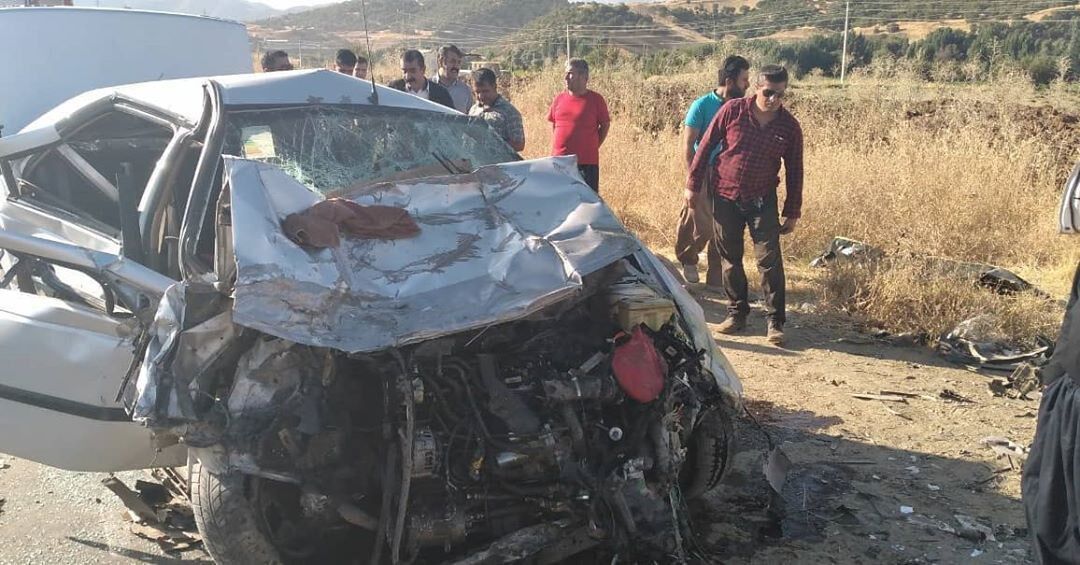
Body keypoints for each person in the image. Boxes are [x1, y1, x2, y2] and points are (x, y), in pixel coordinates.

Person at [685, 64, 803, 346]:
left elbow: (796, 169)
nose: (774, 99)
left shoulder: (789, 127)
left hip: (762, 199)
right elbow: (704, 146)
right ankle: (737, 313)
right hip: (725, 194)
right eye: (768, 92)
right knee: (730, 258)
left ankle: (775, 322)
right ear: (757, 88)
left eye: (780, 93)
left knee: (768, 260)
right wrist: (692, 186)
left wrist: (792, 211)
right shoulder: (732, 111)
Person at [677, 55, 751, 285]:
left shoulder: (743, 108)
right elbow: (689, 144)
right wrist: (693, 178)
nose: (747, 85)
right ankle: (688, 259)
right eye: (744, 79)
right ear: (729, 81)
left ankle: (716, 278)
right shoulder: (702, 105)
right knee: (699, 221)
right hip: (703, 170)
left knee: (724, 225)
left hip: (729, 174)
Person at [547, 58, 610, 193]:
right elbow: (555, 126)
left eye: (570, 73)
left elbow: (605, 125)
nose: (565, 77)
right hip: (560, 163)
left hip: (586, 163)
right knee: (561, 203)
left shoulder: (596, 100)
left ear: (583, 76)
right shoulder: (558, 99)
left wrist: (592, 145)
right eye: (566, 73)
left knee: (587, 204)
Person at [468, 68, 525, 151]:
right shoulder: (473, 110)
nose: (481, 96)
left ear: (494, 86)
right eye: (477, 92)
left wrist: (489, 143)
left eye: (485, 91)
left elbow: (519, 144)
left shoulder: (509, 112)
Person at [387, 50, 455, 109]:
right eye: (404, 71)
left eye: (412, 71)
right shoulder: (393, 90)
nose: (407, 77)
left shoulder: (441, 94)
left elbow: (451, 120)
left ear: (423, 69)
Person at [433, 44, 473, 113]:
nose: (456, 66)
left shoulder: (465, 91)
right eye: (453, 61)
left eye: (459, 62)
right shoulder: (427, 87)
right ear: (441, 61)